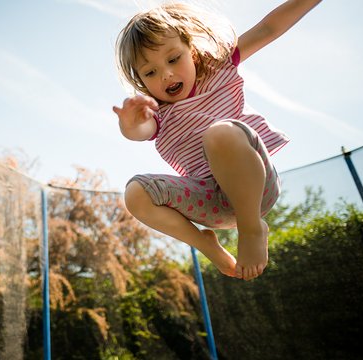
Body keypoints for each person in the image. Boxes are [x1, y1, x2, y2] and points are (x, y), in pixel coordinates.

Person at [112, 0, 321, 280]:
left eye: (174, 59)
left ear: (193, 52)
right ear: (141, 80)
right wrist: (130, 124)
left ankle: (252, 229)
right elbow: (141, 131)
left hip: (255, 190)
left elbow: (267, 29)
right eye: (151, 72)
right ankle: (206, 245)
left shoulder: (218, 69)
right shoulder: (157, 112)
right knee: (136, 193)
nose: (167, 74)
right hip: (210, 204)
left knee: (219, 133)